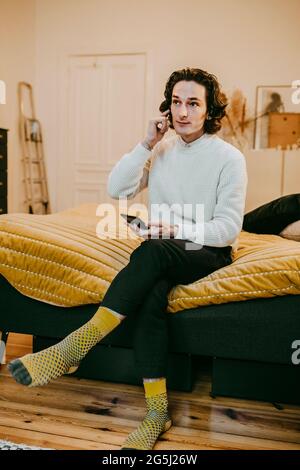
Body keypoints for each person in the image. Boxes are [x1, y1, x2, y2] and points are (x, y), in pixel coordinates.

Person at [8, 67, 248, 450]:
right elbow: (117, 188)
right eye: (176, 102)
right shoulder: (163, 148)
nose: (183, 111)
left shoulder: (228, 158)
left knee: (152, 250)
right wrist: (146, 143)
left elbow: (228, 229)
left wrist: (174, 231)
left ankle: (75, 346)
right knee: (151, 296)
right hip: (161, 250)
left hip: (206, 249)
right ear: (168, 108)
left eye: (193, 103)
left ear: (209, 111)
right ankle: (157, 414)